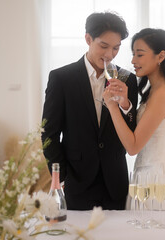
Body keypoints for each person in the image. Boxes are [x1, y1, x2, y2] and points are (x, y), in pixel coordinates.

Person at [41, 11, 138, 210]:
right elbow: (48, 134)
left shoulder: (127, 79)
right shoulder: (61, 78)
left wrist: (126, 104)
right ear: (88, 39)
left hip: (116, 183)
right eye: (104, 46)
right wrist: (61, 177)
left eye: (116, 48)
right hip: (76, 183)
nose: (109, 54)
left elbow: (133, 133)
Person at [103, 28, 165, 210]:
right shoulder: (153, 92)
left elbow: (133, 146)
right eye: (133, 54)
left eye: (140, 54)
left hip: (159, 179)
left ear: (161, 56)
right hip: (147, 175)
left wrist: (112, 107)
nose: (133, 61)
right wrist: (124, 104)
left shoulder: (164, 94)